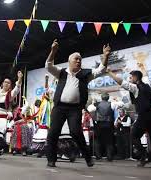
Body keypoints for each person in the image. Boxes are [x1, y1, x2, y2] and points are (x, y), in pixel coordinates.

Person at [45, 39, 111, 167]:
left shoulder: (85, 74)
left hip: (74, 109)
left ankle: (88, 158)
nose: (78, 61)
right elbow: (48, 65)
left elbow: (101, 70)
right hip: (59, 107)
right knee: (53, 132)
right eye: (76, 59)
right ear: (69, 61)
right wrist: (53, 51)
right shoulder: (61, 72)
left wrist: (106, 56)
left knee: (76, 132)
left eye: (80, 59)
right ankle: (51, 160)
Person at [106, 63, 151, 168]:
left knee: (133, 135)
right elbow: (146, 76)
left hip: (144, 116)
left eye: (131, 77)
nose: (130, 79)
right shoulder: (147, 85)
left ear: (135, 78)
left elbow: (121, 82)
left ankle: (144, 156)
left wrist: (109, 72)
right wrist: (142, 68)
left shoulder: (136, 87)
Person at [30, 75, 54, 158]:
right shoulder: (43, 102)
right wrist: (46, 79)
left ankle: (46, 151)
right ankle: (39, 150)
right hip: (43, 119)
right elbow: (46, 88)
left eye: (48, 93)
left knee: (47, 134)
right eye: (46, 93)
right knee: (41, 133)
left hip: (49, 118)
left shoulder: (51, 103)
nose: (46, 94)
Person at [94, 93, 115, 161]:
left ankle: (98, 156)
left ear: (101, 98)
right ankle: (109, 157)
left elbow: (91, 109)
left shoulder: (97, 104)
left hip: (99, 124)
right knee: (109, 141)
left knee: (98, 141)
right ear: (108, 98)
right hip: (108, 124)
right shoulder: (111, 104)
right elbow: (121, 105)